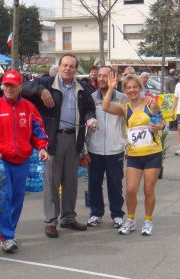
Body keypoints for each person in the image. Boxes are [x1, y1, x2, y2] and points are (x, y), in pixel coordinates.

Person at [22, 54, 96, 238]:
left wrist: (90, 118)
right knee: (52, 182)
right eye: (64, 65)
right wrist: (40, 90)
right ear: (59, 66)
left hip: (73, 138)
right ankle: (50, 221)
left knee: (71, 182)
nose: (67, 69)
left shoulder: (83, 88)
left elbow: (89, 108)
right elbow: (24, 88)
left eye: (71, 66)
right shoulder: (47, 82)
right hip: (52, 139)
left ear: (75, 69)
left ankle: (68, 218)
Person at [0, 70, 49, 252]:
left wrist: (42, 148)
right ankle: (7, 236)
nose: (8, 88)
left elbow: (39, 132)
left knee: (17, 198)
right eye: (6, 85)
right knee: (2, 198)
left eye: (12, 86)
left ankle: (8, 233)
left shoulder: (30, 109)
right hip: (0, 161)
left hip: (22, 161)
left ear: (20, 87)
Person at [102, 73, 165, 236]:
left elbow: (163, 122)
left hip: (153, 153)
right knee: (130, 190)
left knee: (148, 189)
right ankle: (130, 220)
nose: (132, 90)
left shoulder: (151, 104)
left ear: (140, 88)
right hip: (134, 155)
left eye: (135, 87)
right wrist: (110, 88)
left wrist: (158, 126)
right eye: (128, 88)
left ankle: (148, 221)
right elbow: (105, 107)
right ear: (125, 90)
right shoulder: (125, 108)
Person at [81, 66, 126, 228]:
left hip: (116, 149)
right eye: (99, 75)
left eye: (105, 76)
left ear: (113, 78)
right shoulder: (90, 98)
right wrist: (84, 150)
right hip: (95, 149)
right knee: (94, 183)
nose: (101, 78)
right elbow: (84, 125)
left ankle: (117, 214)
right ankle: (96, 213)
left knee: (115, 183)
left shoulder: (122, 98)